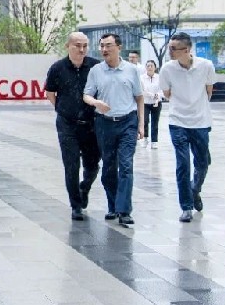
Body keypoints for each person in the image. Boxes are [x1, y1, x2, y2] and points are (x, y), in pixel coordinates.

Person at [83, 33, 144, 227]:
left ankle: (124, 210)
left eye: (108, 45)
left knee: (126, 165)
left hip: (128, 122)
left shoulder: (132, 70)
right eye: (102, 46)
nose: (104, 49)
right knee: (109, 168)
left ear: (119, 47)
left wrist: (141, 124)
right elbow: (86, 95)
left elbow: (139, 97)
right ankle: (113, 205)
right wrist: (96, 103)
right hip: (104, 124)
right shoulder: (96, 71)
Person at [44, 32, 101, 221]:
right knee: (71, 165)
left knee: (92, 165)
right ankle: (75, 205)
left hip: (91, 124)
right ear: (67, 46)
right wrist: (62, 109)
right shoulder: (57, 68)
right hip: (67, 125)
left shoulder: (95, 67)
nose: (82, 49)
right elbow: (50, 92)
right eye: (77, 45)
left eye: (85, 45)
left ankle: (85, 187)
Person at [159, 32, 216, 223]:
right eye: (170, 47)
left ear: (187, 49)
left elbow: (209, 92)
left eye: (174, 48)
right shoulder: (167, 69)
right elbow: (167, 94)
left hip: (200, 122)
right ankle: (186, 207)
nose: (170, 51)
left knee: (203, 163)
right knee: (182, 164)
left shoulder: (206, 66)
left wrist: (196, 107)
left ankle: (194, 189)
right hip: (178, 122)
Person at [141, 60, 163, 150]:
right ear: (145, 67)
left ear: (155, 67)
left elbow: (162, 89)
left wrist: (157, 95)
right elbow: (142, 91)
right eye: (148, 66)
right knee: (145, 121)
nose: (150, 67)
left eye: (151, 66)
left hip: (157, 103)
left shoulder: (159, 77)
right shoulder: (141, 78)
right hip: (145, 103)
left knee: (155, 122)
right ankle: (145, 138)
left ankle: (154, 141)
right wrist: (152, 95)